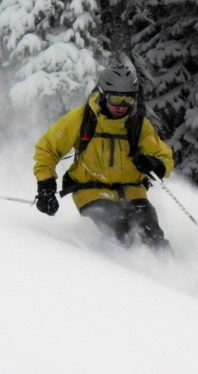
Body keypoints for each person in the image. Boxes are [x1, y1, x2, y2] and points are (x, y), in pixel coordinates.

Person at [33, 66, 174, 251]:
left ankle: (166, 271)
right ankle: (116, 270)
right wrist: (46, 187)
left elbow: (164, 157)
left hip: (132, 191)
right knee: (122, 229)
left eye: (128, 99)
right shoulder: (82, 119)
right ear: (103, 94)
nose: (122, 106)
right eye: (116, 99)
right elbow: (47, 149)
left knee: (153, 235)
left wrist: (155, 164)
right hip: (91, 190)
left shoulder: (138, 125)